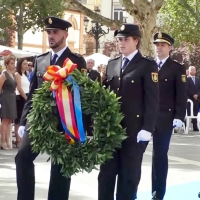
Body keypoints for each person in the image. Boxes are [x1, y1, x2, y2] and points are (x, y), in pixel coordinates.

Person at [15, 16, 86, 200]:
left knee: (60, 169)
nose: (51, 36)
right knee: (22, 158)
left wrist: (83, 127)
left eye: (55, 32)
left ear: (65, 34)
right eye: (49, 32)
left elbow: (83, 97)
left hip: (65, 122)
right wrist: (23, 121)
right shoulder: (41, 59)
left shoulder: (76, 61)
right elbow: (32, 94)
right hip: (40, 120)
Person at [98, 23, 159, 200]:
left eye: (125, 39)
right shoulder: (112, 63)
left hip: (134, 131)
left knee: (129, 177)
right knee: (106, 175)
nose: (121, 43)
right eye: (119, 39)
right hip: (111, 131)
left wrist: (148, 128)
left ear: (136, 41)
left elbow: (152, 100)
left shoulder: (147, 65)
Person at [152, 32, 187, 200]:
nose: (159, 47)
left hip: (165, 117)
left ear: (170, 48)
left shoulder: (176, 68)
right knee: (135, 154)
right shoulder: (148, 64)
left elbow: (181, 94)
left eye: (162, 45)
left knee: (159, 154)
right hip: (145, 116)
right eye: (157, 45)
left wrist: (179, 115)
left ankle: (158, 192)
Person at [0, 54, 17, 150]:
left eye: (14, 63)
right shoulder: (4, 74)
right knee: (5, 120)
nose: (13, 65)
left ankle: (7, 140)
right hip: (6, 97)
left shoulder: (13, 74)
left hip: (12, 97)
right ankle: (3, 141)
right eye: (11, 63)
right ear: (6, 64)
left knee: (10, 120)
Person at [14, 58, 30, 148]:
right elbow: (19, 88)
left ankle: (22, 138)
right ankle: (18, 139)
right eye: (24, 64)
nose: (26, 65)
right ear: (20, 65)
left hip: (26, 96)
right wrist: (26, 98)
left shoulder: (26, 74)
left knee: (24, 119)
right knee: (18, 120)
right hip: (20, 97)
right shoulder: (17, 74)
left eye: (27, 64)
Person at [187, 66, 200, 131]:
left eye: (194, 70)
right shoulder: (187, 79)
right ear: (189, 71)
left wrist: (197, 94)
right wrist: (193, 95)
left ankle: (195, 126)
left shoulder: (198, 79)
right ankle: (187, 126)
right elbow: (187, 88)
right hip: (189, 98)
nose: (193, 71)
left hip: (197, 99)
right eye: (191, 70)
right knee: (189, 112)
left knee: (195, 112)